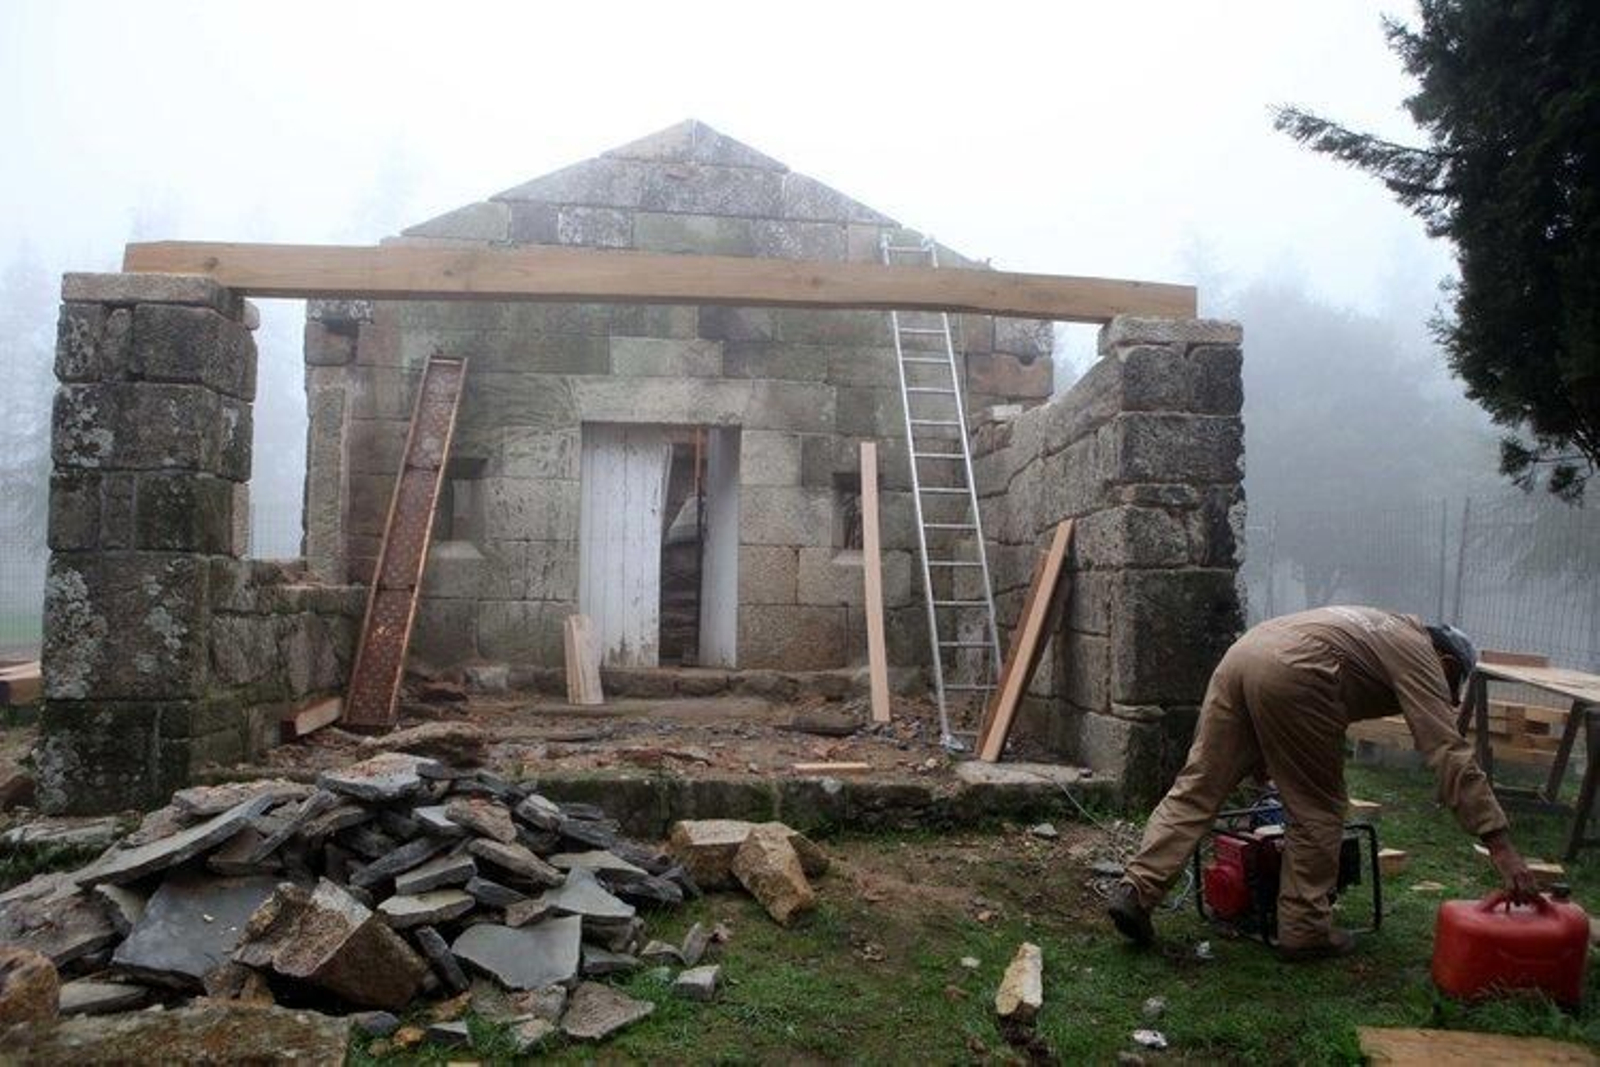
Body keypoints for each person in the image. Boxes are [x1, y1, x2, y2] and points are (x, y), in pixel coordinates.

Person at [1107, 605, 1537, 961]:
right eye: (1455, 684)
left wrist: (1264, 753)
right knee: (1319, 807)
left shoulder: (1377, 626)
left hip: (1244, 654)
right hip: (1297, 667)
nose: (1455, 698)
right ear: (1446, 663)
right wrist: (1499, 843)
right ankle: (1305, 928)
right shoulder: (1419, 653)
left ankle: (1137, 889)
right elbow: (1446, 747)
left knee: (1197, 788)